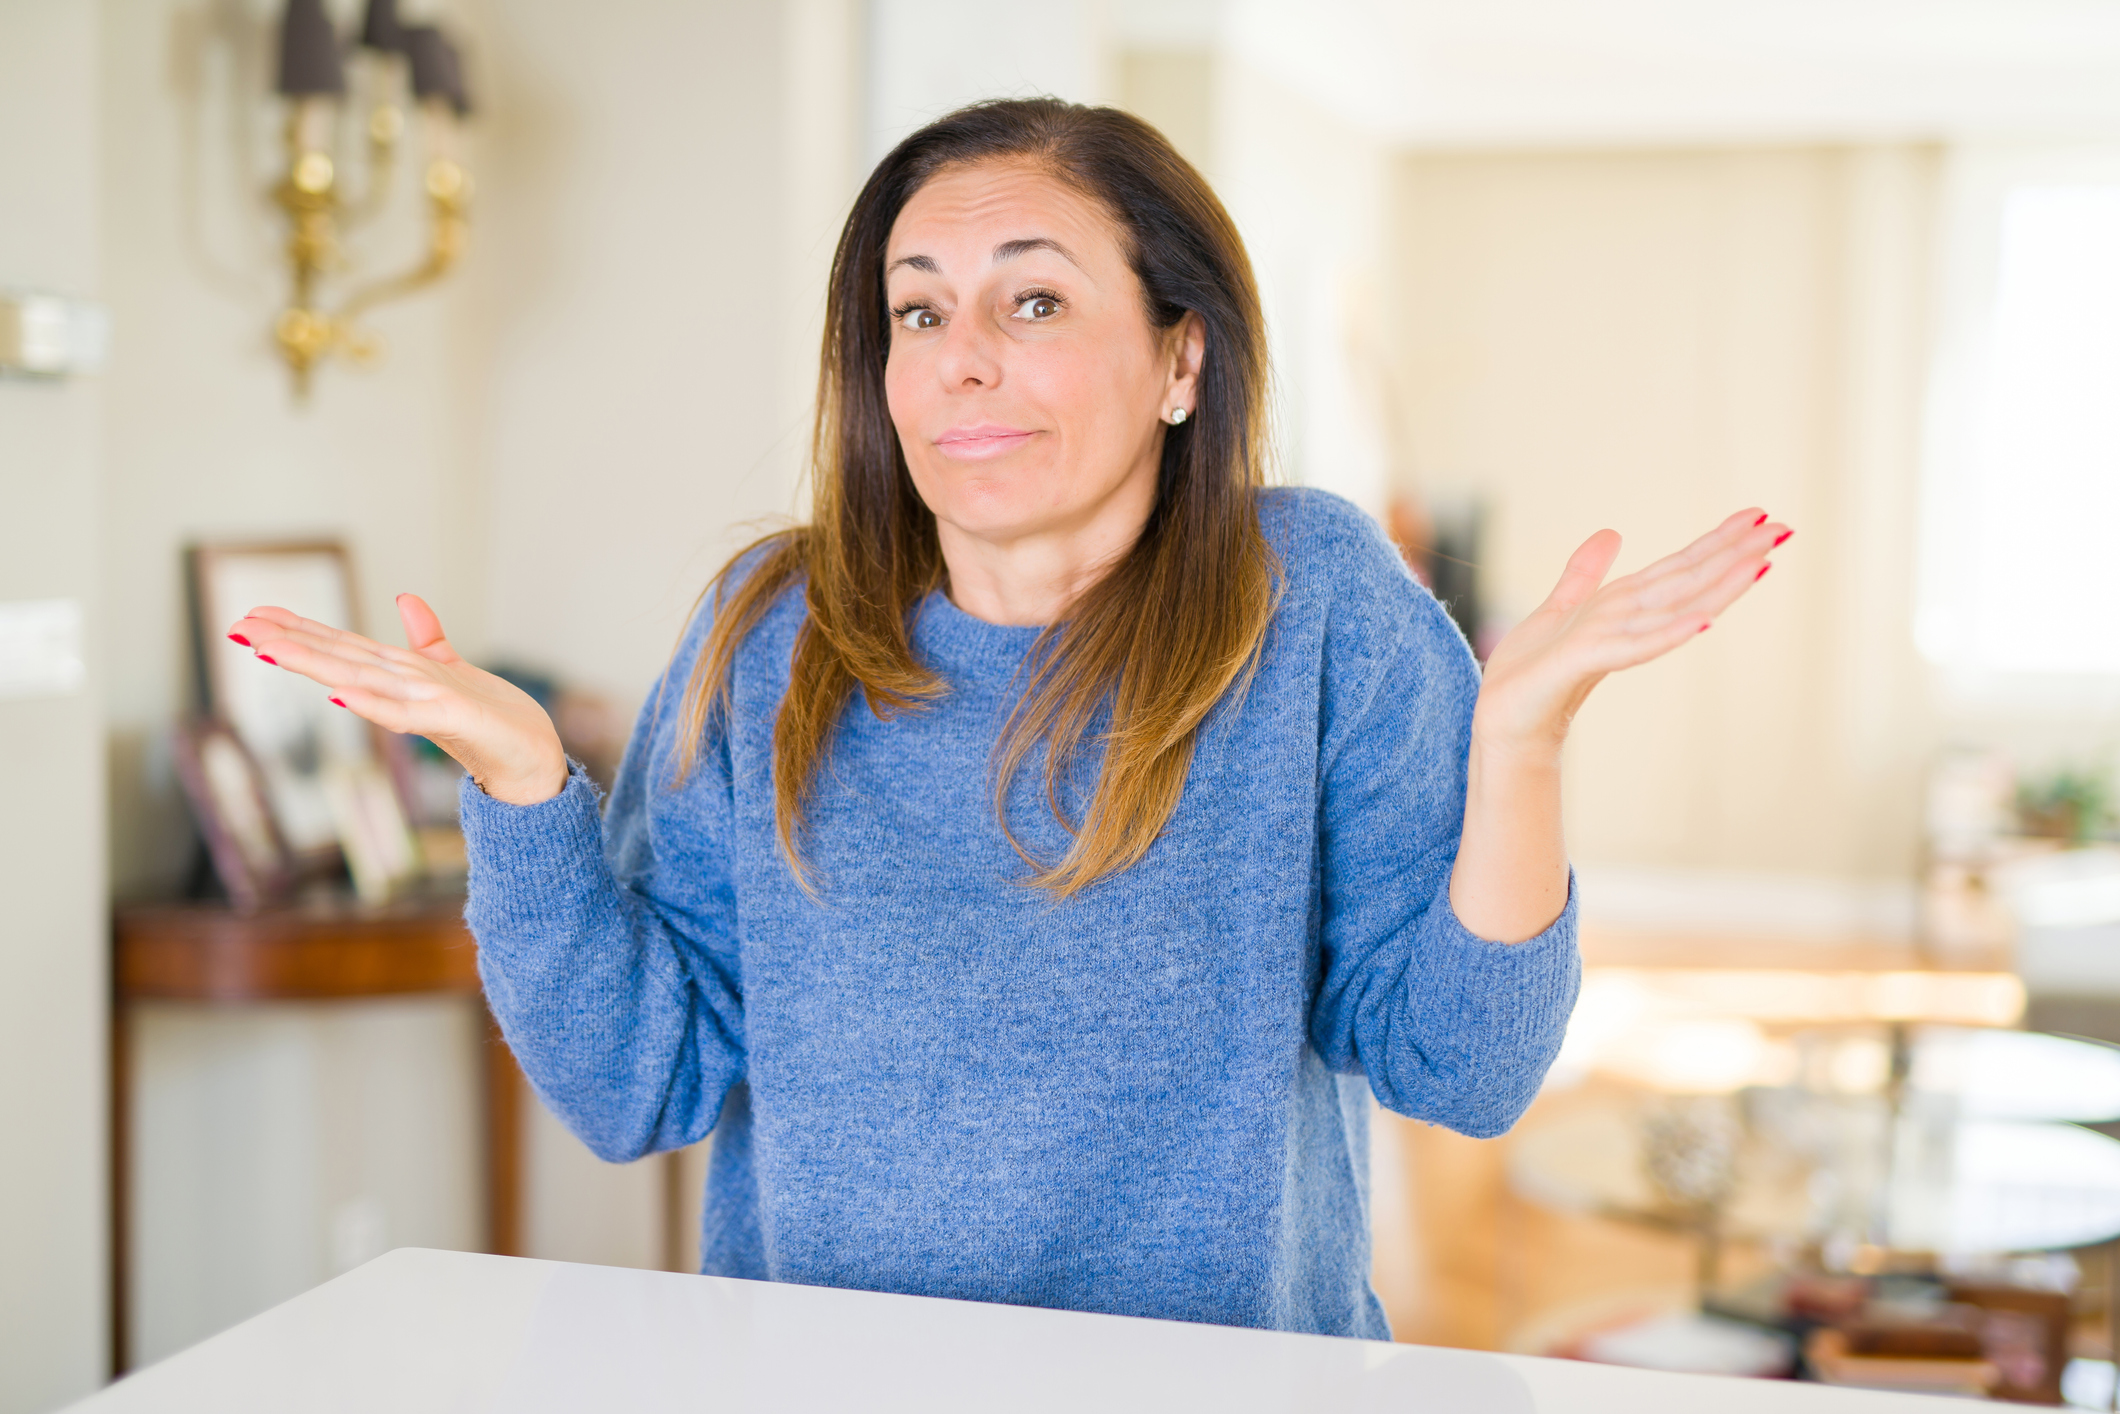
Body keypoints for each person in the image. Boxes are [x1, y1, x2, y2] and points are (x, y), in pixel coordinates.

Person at [229, 98, 1788, 1340]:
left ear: (1184, 355)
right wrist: (521, 791)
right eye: (917, 312)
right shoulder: (771, 630)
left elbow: (1464, 1066)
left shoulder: (1317, 598)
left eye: (1033, 299)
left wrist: (1518, 747)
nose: (961, 356)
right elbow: (643, 1080)